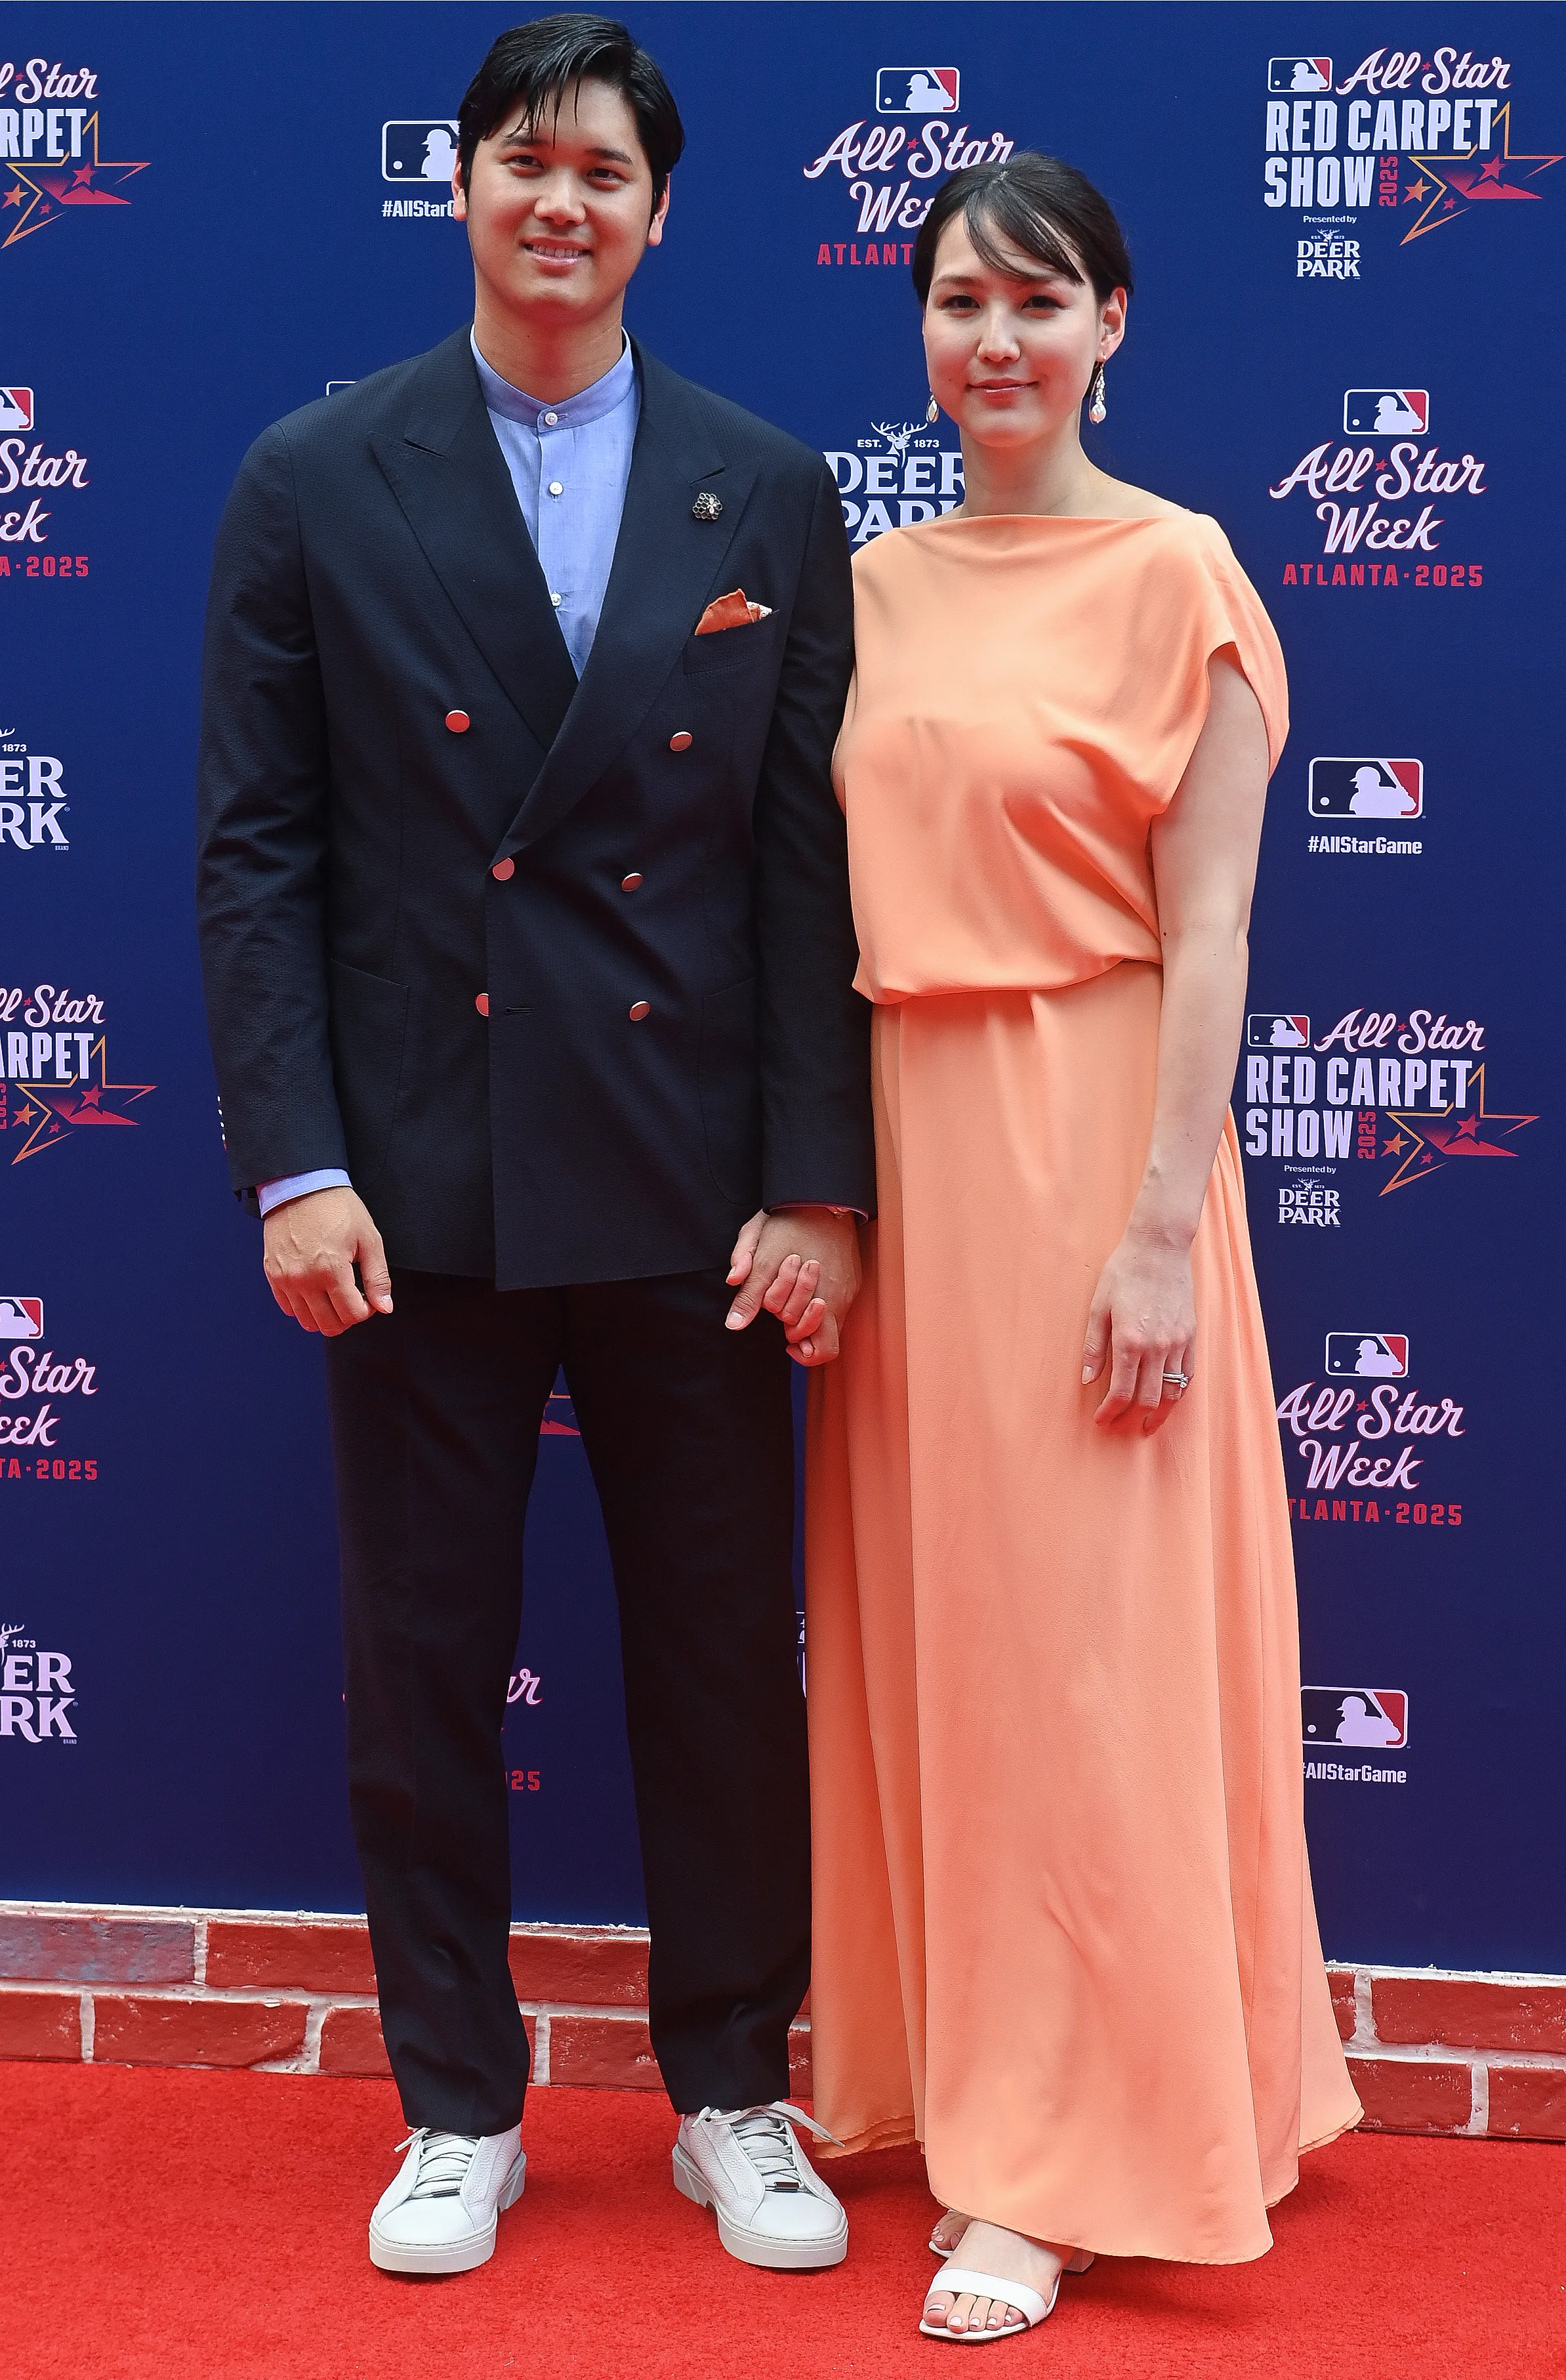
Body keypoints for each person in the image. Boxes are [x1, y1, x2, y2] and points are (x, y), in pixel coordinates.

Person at [197, 12, 871, 2280]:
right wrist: (297, 1159)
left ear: (660, 210)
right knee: (419, 1658)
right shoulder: (318, 473)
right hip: (424, 1161)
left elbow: (799, 873)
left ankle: (732, 2089)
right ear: (459, 189)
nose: (558, 200)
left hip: (694, 1175)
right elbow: (257, 849)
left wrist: (815, 1181)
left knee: (711, 1656)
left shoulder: (768, 487)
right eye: (520, 160)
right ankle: (458, 2101)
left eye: (602, 167)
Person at [803, 152, 1362, 2343]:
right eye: (959, 301)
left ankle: (1059, 2160)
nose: (997, 339)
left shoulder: (1187, 574)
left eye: (1039, 299)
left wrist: (1155, 1232)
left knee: (1088, 1669)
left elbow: (1214, 929)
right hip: (913, 1156)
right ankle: (1023, 2078)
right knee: (951, 1647)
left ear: (1111, 323)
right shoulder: (875, 586)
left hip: (1097, 1158)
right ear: (921, 331)